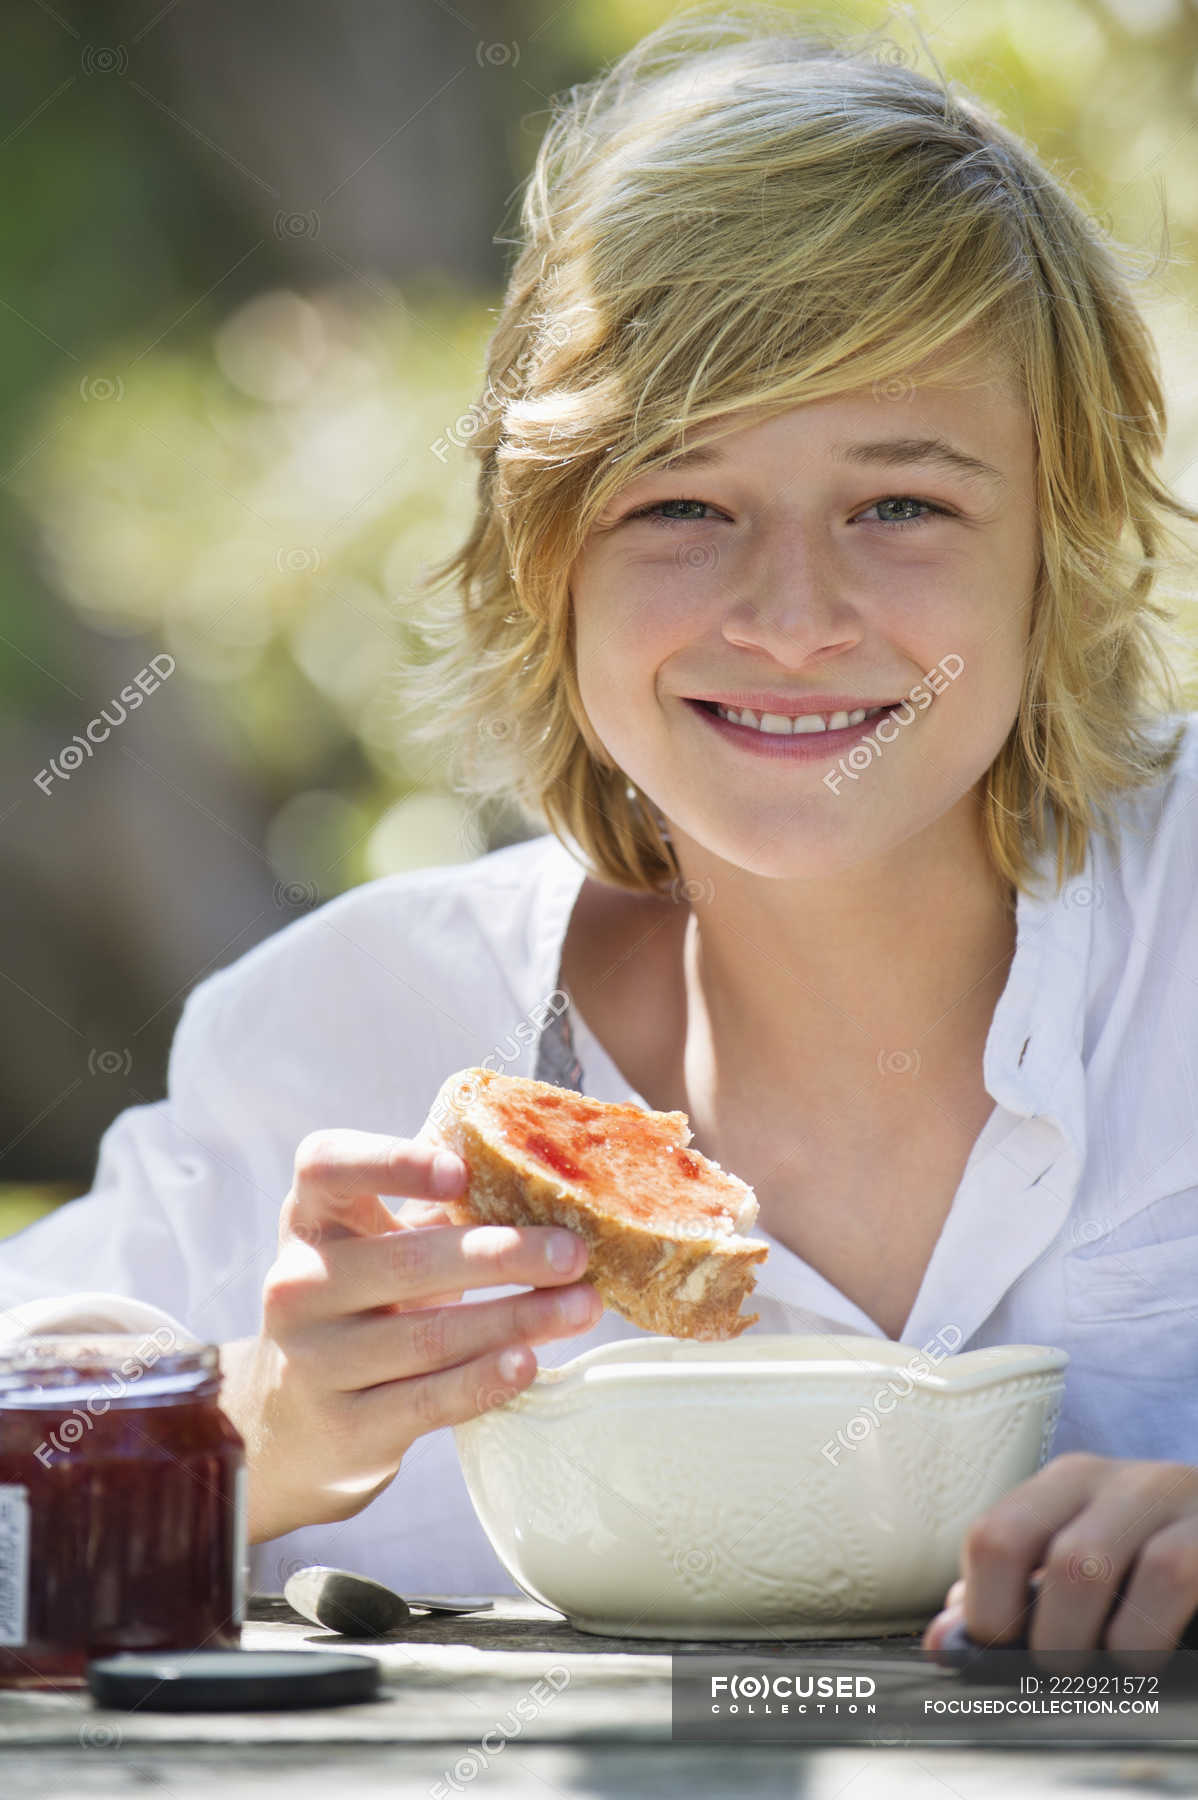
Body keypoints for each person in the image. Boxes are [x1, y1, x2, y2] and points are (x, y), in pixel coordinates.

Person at [4, 5, 1198, 1667]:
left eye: (902, 505)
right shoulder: (350, 1039)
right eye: (679, 506)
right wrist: (246, 1441)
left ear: (1055, 551)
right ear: (544, 560)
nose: (789, 616)